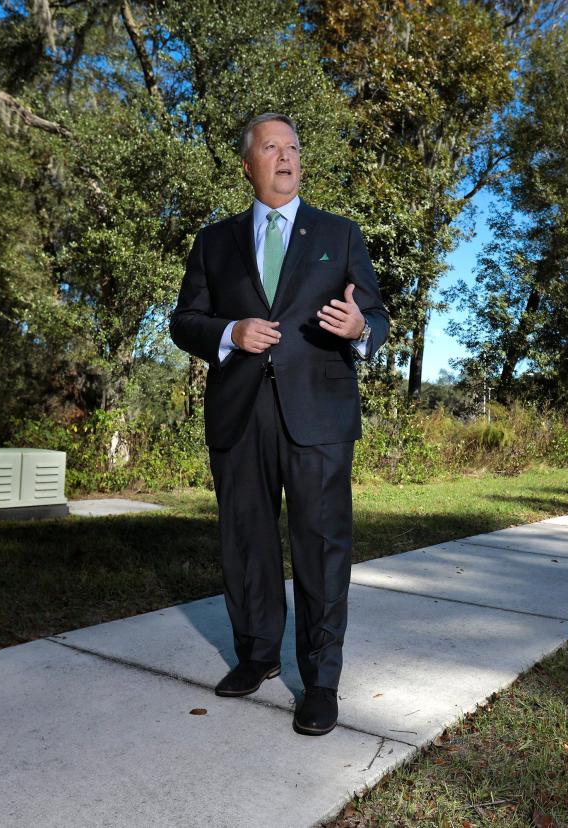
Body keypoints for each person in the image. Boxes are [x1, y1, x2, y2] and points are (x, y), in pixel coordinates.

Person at [169, 113, 389, 736]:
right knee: (247, 543)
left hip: (318, 415)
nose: (287, 158)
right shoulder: (214, 242)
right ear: (248, 162)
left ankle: (320, 681)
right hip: (240, 414)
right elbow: (184, 320)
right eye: (272, 148)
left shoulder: (340, 234)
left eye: (294, 147)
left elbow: (373, 313)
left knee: (321, 546)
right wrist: (229, 332)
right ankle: (257, 654)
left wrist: (360, 330)